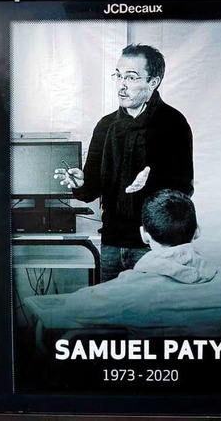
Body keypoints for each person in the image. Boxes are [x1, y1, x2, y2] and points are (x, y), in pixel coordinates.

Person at [54, 44, 194, 282]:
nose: (122, 85)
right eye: (118, 75)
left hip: (153, 246)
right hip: (111, 244)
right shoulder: (105, 126)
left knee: (149, 316)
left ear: (154, 82)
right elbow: (90, 191)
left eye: (131, 77)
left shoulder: (174, 124)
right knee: (111, 315)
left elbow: (184, 192)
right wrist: (79, 183)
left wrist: (151, 184)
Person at [26, 189, 221, 338]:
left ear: (144, 235)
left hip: (145, 389)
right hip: (203, 391)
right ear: (197, 231)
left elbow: (72, 309)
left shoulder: (124, 290)